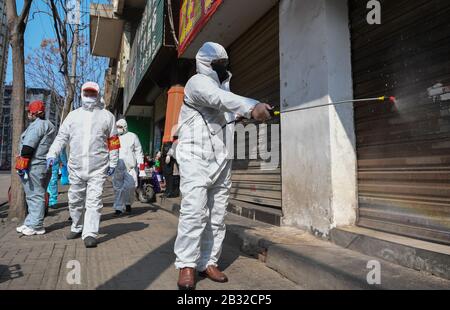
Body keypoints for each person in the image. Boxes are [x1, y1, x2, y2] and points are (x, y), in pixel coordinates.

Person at [174, 42, 272, 290]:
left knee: (217, 216)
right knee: (194, 212)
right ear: (205, 64)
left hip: (221, 158)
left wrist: (242, 115)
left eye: (224, 63)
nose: (222, 68)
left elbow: (224, 107)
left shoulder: (224, 87)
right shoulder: (197, 82)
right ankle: (187, 264)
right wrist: (252, 107)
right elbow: (219, 99)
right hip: (195, 157)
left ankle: (208, 262)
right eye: (217, 64)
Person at [46, 81, 119, 248]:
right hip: (76, 167)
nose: (89, 97)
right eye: (87, 93)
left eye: (93, 93)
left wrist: (113, 161)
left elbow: (113, 141)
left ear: (98, 94)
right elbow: (61, 137)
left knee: (94, 201)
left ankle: (90, 233)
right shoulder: (73, 116)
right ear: (81, 94)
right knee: (74, 200)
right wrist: (52, 153)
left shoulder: (107, 116)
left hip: (98, 168)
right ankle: (77, 226)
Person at [15, 100, 56, 236]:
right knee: (35, 195)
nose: (28, 114)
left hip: (34, 166)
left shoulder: (38, 126)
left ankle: (36, 225)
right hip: (42, 166)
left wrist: (22, 163)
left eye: (29, 111)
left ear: (34, 112)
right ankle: (30, 222)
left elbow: (29, 146)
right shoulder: (49, 125)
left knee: (35, 195)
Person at [113, 119, 144, 216]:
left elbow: (139, 152)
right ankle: (118, 208)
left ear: (125, 127)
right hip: (117, 168)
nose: (118, 129)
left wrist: (141, 167)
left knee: (130, 187)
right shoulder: (114, 138)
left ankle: (128, 204)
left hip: (130, 168)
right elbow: (110, 152)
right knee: (118, 188)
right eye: (117, 127)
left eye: (120, 127)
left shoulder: (132, 136)